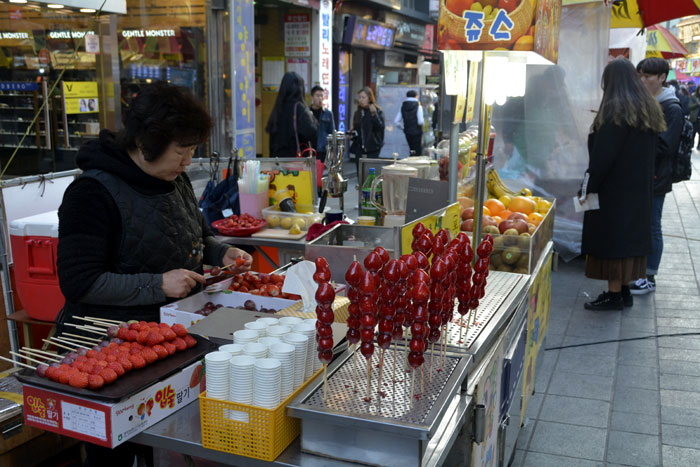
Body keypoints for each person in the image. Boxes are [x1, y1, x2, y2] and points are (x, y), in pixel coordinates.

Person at [56, 82, 253, 466]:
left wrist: (220, 250)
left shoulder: (172, 178)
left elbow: (196, 232)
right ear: (147, 142)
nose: (188, 162)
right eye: (182, 151)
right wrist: (157, 283)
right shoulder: (91, 193)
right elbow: (79, 282)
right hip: (107, 349)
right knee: (115, 453)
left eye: (192, 151)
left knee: (162, 442)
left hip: (167, 337)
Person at [581, 58, 666, 311]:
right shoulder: (646, 110)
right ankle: (625, 291)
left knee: (613, 243)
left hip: (613, 193)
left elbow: (601, 159)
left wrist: (586, 187)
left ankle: (614, 294)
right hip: (638, 192)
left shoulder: (615, 114)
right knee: (629, 244)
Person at [629, 57, 685, 295]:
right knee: (641, 223)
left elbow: (665, 146)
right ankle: (639, 271)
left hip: (656, 176)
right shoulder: (644, 103)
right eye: (640, 75)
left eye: (647, 76)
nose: (642, 80)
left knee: (652, 225)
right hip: (640, 174)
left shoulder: (671, 107)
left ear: (662, 77)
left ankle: (650, 276)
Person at [266, 72, 318, 158]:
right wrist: (311, 117)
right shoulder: (299, 108)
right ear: (300, 89)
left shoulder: (278, 108)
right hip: (295, 163)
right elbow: (312, 133)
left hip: (277, 163)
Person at [350, 87, 385, 173]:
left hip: (373, 148)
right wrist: (352, 135)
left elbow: (380, 128)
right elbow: (357, 129)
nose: (361, 100)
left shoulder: (378, 111)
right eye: (359, 97)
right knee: (360, 173)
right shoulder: (358, 112)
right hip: (359, 148)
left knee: (370, 174)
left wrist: (374, 115)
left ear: (369, 98)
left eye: (363, 97)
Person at [309, 85, 335, 163]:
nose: (320, 98)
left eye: (322, 96)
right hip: (309, 148)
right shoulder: (306, 112)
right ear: (312, 97)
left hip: (322, 149)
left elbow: (332, 132)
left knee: (320, 173)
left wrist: (332, 150)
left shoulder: (328, 113)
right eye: (317, 95)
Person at [394, 90, 424, 156]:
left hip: (407, 132)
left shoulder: (403, 106)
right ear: (416, 96)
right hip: (417, 132)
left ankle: (411, 159)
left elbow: (396, 121)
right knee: (417, 150)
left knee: (411, 149)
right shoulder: (418, 106)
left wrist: (403, 128)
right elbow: (420, 121)